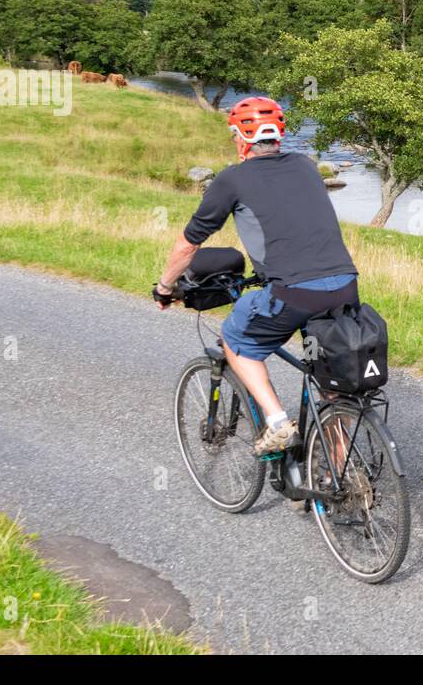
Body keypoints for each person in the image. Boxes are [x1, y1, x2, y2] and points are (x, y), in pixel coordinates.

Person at [153, 97, 358, 455]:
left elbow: (188, 246)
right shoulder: (306, 165)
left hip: (293, 292)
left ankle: (278, 422)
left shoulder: (232, 179)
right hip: (344, 285)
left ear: (239, 137)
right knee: (329, 381)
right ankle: (342, 473)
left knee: (236, 340)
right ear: (279, 133)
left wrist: (165, 287)